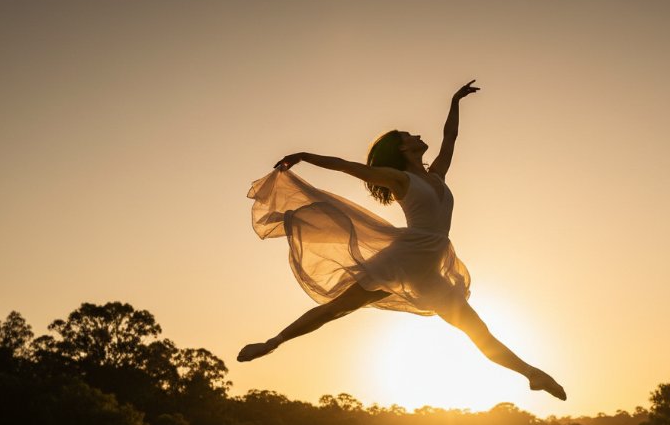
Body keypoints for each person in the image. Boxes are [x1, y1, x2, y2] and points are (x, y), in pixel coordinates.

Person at [239, 80, 566, 400]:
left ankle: (532, 375)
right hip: (403, 259)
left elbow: (450, 138)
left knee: (477, 331)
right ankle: (273, 342)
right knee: (336, 309)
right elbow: (346, 166)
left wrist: (455, 101)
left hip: (430, 268)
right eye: (410, 135)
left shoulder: (436, 175)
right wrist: (302, 154)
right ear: (402, 148)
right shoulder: (398, 178)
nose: (417, 135)